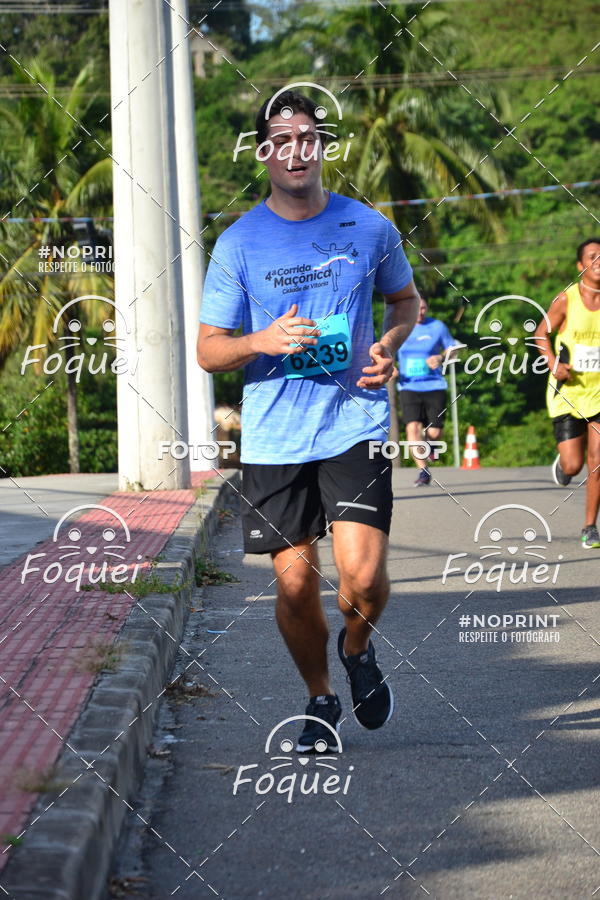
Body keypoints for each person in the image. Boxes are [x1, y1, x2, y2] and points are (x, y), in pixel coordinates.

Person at [197, 90, 419, 752]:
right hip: (274, 435)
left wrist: (391, 345)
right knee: (294, 583)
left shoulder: (370, 227)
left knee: (362, 578)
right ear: (264, 153)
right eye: (280, 140)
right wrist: (260, 342)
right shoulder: (238, 244)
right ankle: (321, 699)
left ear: (321, 148)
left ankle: (357, 646)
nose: (295, 150)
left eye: (307, 138)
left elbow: (405, 301)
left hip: (354, 421)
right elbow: (210, 349)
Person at [534, 238, 600, 549]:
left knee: (597, 460)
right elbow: (540, 333)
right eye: (592, 256)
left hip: (599, 393)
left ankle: (589, 526)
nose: (599, 260)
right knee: (575, 465)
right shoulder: (566, 299)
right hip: (568, 391)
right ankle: (563, 466)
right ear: (580, 266)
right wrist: (552, 363)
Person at [397, 297, 457, 485]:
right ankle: (423, 471)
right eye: (417, 308)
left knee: (435, 432)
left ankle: (430, 444)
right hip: (408, 386)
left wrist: (440, 358)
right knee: (412, 427)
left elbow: (454, 349)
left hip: (434, 385)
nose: (420, 312)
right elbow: (387, 350)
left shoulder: (437, 327)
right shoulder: (400, 328)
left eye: (423, 308)